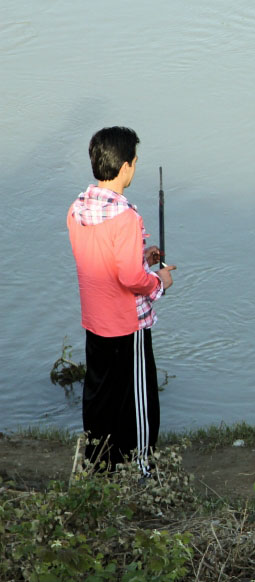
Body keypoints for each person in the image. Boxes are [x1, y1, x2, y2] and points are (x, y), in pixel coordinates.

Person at [67, 126, 176, 476]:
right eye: (135, 162)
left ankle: (98, 465)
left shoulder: (77, 209)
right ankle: (143, 468)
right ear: (126, 166)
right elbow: (130, 279)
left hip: (95, 322)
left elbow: (103, 260)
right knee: (141, 399)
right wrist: (159, 280)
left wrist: (141, 255)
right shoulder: (126, 217)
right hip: (128, 325)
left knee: (100, 395)